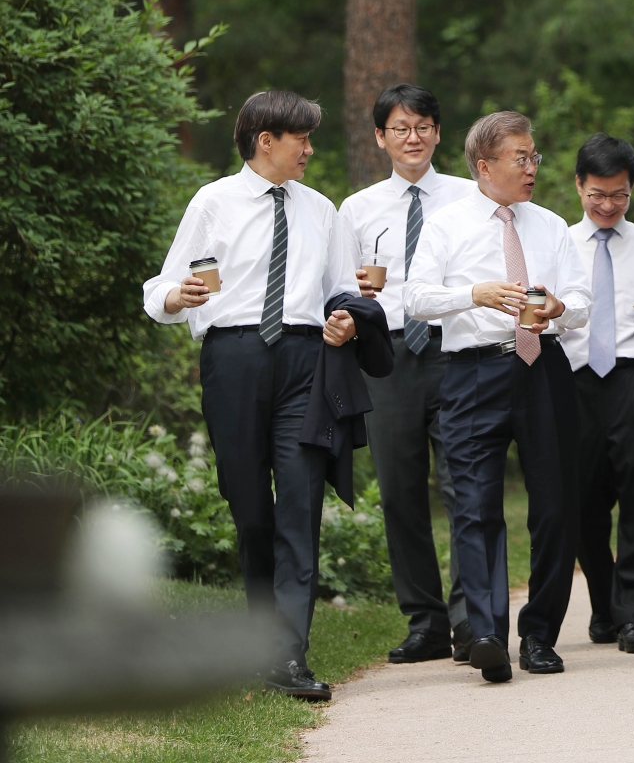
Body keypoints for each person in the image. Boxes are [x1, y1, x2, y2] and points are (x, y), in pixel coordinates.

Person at [142, 90, 359, 700]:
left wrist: (343, 320)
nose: (311, 150)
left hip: (304, 360)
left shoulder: (322, 210)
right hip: (233, 357)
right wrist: (175, 298)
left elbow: (341, 291)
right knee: (251, 507)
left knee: (299, 500)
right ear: (266, 141)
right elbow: (160, 286)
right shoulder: (212, 201)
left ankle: (288, 655)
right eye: (302, 140)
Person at [405, 110, 591, 684]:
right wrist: (474, 293)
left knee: (556, 505)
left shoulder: (553, 225)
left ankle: (539, 635)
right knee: (475, 506)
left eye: (534, 156)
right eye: (521, 157)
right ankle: (485, 633)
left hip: (543, 369)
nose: (532, 167)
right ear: (485, 165)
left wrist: (559, 307)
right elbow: (414, 297)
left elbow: (582, 300)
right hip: (472, 373)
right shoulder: (446, 224)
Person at [340, 83, 475, 665]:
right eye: (400, 128)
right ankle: (425, 621)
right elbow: (340, 285)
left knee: (466, 485)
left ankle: (473, 618)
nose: (412, 137)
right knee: (399, 491)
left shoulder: (471, 198)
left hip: (458, 349)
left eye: (422, 126)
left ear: (438, 133)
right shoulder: (357, 209)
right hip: (387, 355)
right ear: (380, 137)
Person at [559, 133, 634, 654]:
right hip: (574, 381)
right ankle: (604, 607)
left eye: (618, 195)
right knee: (583, 506)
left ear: (631, 191)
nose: (606, 205)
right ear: (578, 186)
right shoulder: (558, 244)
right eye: (597, 194)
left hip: (633, 376)